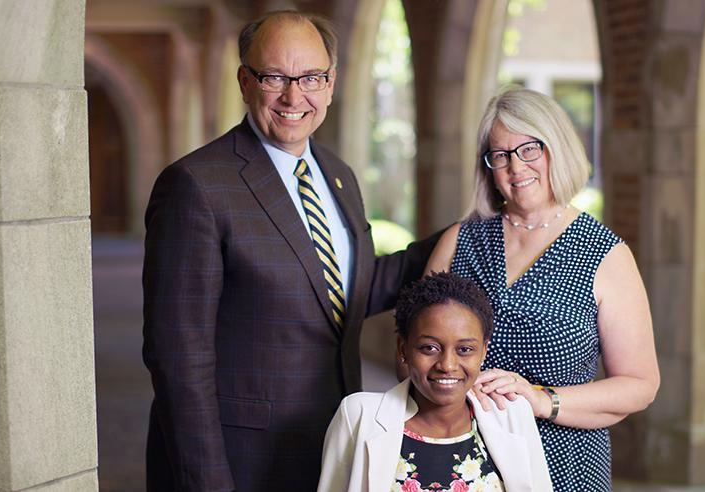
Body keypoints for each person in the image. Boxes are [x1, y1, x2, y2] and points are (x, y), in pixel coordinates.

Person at [142, 10, 437, 491]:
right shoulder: (196, 186)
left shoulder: (337, 175)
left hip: (331, 446)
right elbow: (178, 359)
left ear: (332, 82)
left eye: (311, 78)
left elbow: (352, 289)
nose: (293, 96)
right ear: (244, 80)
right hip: (241, 463)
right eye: (275, 76)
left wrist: (472, 229)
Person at [423, 87, 660, 491]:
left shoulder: (605, 253)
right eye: (501, 155)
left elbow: (640, 385)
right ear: (489, 168)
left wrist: (539, 399)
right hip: (460, 462)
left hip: (564, 467)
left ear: (557, 148)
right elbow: (409, 350)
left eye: (530, 149)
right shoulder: (459, 240)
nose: (516, 167)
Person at [318, 272, 553, 491]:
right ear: (403, 348)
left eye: (464, 349)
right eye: (429, 348)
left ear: (483, 351)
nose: (447, 365)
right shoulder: (359, 415)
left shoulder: (511, 413)